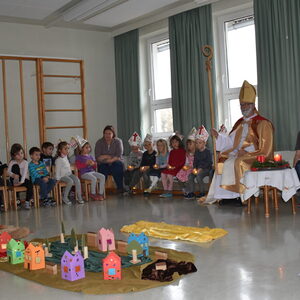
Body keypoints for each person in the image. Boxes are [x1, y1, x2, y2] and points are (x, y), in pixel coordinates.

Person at [204, 80, 274, 205]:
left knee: (238, 162)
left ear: (253, 105)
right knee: (223, 159)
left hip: (255, 156)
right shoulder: (239, 123)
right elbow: (230, 142)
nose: (244, 107)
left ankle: (240, 196)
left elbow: (266, 149)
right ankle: (225, 196)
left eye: (246, 104)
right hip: (238, 153)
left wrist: (247, 152)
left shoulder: (263, 123)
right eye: (242, 105)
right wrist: (218, 136)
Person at [95, 125, 124, 193]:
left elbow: (118, 155)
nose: (107, 135)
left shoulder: (118, 141)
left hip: (115, 162)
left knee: (117, 165)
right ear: (103, 134)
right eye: (105, 133)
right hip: (103, 163)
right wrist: (109, 156)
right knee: (102, 167)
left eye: (109, 133)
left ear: (113, 134)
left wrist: (109, 159)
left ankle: (120, 188)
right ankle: (101, 191)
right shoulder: (99, 142)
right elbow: (98, 157)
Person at [185, 126, 213, 199]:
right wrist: (194, 168)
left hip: (206, 169)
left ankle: (202, 192)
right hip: (198, 169)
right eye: (196, 143)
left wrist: (201, 168)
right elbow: (195, 162)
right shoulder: (197, 152)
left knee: (199, 176)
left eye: (200, 143)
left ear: (205, 143)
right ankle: (191, 192)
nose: (197, 145)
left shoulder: (208, 152)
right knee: (190, 176)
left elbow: (209, 162)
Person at [75, 136, 106, 201]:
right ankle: (93, 193)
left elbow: (95, 167)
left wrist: (94, 164)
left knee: (102, 176)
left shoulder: (91, 156)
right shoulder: (79, 157)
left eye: (89, 147)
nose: (88, 149)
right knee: (93, 178)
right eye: (86, 147)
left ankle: (100, 193)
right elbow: (78, 167)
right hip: (84, 173)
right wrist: (86, 164)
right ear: (81, 149)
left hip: (92, 172)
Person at [7, 143, 33, 209]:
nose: (20, 155)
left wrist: (21, 182)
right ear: (13, 155)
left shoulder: (25, 162)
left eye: (21, 153)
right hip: (14, 180)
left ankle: (27, 201)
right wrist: (13, 175)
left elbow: (24, 173)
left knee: (30, 183)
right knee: (15, 166)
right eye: (18, 154)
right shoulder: (12, 162)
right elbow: (8, 172)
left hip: (22, 180)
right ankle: (17, 200)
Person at [160, 134, 186, 198]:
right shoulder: (171, 152)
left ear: (179, 142)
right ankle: (165, 190)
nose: (174, 144)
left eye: (176, 142)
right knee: (163, 173)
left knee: (169, 175)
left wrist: (175, 167)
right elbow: (170, 161)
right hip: (171, 168)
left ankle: (170, 191)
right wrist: (169, 166)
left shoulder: (183, 151)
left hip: (179, 168)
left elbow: (183, 162)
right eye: (173, 142)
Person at [176, 128, 197, 196]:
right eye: (187, 144)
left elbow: (197, 163)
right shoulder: (187, 153)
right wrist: (185, 166)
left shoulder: (197, 153)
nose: (188, 146)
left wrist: (190, 166)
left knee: (188, 177)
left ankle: (189, 191)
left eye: (190, 144)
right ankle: (184, 189)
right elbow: (186, 162)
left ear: (195, 144)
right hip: (187, 167)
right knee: (179, 174)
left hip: (193, 168)